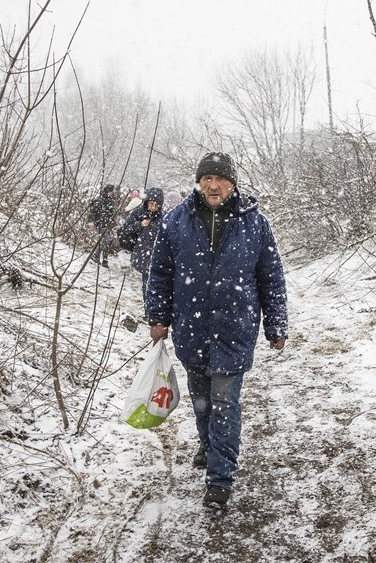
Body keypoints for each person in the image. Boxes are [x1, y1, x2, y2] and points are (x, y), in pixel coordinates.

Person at [145, 152, 288, 510]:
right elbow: (160, 273)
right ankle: (208, 446)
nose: (213, 185)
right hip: (191, 328)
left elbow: (271, 279)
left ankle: (220, 479)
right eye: (206, 178)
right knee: (201, 398)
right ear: (198, 182)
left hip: (234, 328)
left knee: (225, 401)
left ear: (232, 184)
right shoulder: (176, 221)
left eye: (220, 179)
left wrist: (276, 325)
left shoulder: (255, 224)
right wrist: (158, 317)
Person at [117, 186, 165, 291]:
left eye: (156, 205)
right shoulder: (138, 213)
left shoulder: (163, 218)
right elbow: (123, 231)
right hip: (143, 254)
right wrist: (139, 225)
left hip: (157, 256)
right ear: (146, 202)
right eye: (151, 204)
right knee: (147, 285)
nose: (153, 207)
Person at [86, 184, 120, 267]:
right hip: (100, 223)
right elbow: (92, 211)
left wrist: (113, 221)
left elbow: (109, 212)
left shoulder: (110, 199)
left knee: (107, 241)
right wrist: (91, 221)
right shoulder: (100, 199)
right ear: (109, 191)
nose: (114, 192)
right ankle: (98, 257)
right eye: (113, 190)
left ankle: (102, 259)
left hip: (106, 223)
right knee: (106, 240)